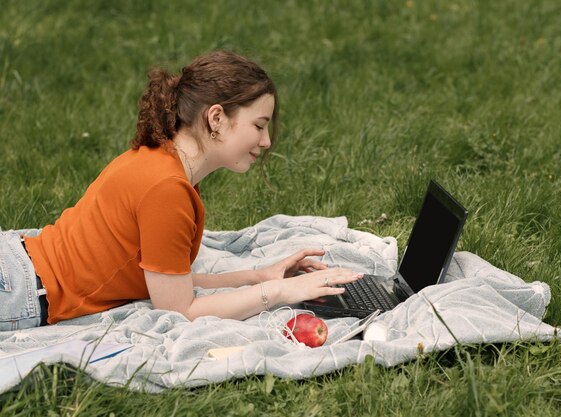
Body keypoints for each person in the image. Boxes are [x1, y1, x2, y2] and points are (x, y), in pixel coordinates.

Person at [0, 50, 363, 331]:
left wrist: (257, 276)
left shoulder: (162, 160)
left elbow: (168, 284)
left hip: (17, 265)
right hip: (18, 292)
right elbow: (180, 310)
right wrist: (284, 293)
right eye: (259, 125)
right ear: (216, 118)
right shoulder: (166, 189)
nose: (267, 141)